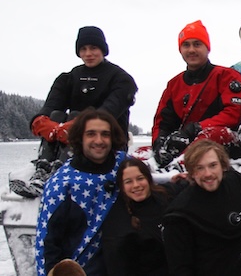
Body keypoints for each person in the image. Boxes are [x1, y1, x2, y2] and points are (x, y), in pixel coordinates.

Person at [11, 26, 137, 199]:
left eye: (93, 48)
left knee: (77, 116)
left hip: (108, 139)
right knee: (56, 116)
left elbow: (109, 109)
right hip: (74, 139)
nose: (88, 53)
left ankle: (62, 170)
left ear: (103, 49)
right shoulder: (70, 78)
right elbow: (52, 104)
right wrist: (42, 121)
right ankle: (43, 169)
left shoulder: (121, 79)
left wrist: (79, 126)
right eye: (83, 49)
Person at [161, 139, 241, 276]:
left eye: (213, 165)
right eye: (200, 168)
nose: (208, 173)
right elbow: (180, 268)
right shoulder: (179, 215)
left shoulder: (237, 183)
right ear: (191, 172)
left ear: (223, 166)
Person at [34, 108, 130, 276]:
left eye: (105, 134)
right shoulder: (63, 184)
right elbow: (47, 243)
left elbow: (150, 186)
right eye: (91, 134)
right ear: (80, 137)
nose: (99, 141)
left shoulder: (124, 164)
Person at [151, 20, 241, 167]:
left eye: (197, 44)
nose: (191, 50)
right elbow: (162, 122)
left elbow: (232, 115)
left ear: (207, 48)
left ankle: (182, 165)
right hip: (187, 141)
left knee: (212, 135)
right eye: (186, 45)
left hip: (225, 142)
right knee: (142, 154)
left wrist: (196, 128)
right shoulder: (174, 85)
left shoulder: (227, 77)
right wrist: (159, 144)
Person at [101, 158, 182, 276]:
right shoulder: (120, 219)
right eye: (128, 182)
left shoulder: (167, 195)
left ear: (148, 179)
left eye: (140, 178)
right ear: (122, 186)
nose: (136, 185)